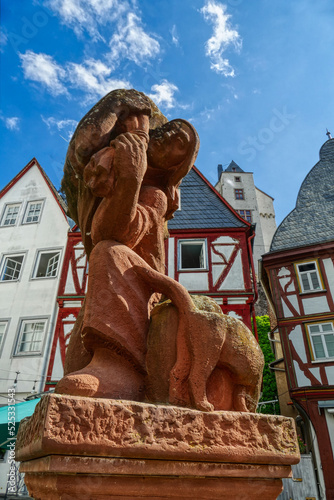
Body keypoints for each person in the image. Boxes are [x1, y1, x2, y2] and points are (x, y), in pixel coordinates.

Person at [56, 90, 199, 401]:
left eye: (181, 144)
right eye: (173, 129)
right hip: (112, 289)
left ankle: (123, 373)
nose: (173, 135)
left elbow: (117, 234)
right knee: (76, 362)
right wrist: (119, 103)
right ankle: (105, 366)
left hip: (139, 287)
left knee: (109, 251)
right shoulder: (117, 161)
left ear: (179, 165)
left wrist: (133, 178)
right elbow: (82, 148)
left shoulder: (157, 195)